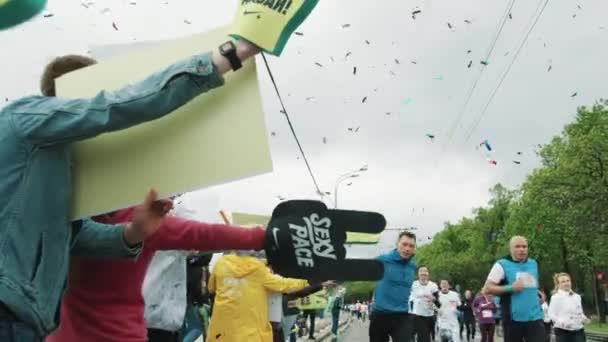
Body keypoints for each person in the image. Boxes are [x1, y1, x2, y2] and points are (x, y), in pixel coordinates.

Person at [0, 0, 319, 339]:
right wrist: (231, 54)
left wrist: (133, 232)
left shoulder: (55, 170)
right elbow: (124, 106)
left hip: (31, 321)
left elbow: (70, 236)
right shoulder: (29, 118)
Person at [45, 207, 271, 342]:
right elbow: (204, 234)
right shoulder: (142, 219)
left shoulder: (58, 216)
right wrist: (264, 237)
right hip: (124, 333)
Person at [206, 252, 310, 342]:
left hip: (223, 330)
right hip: (250, 331)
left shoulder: (221, 264)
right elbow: (282, 284)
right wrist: (307, 281)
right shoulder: (257, 269)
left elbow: (211, 288)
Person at [482, 236, 545, 342]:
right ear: (510, 249)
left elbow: (529, 284)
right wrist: (510, 287)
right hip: (513, 319)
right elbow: (486, 289)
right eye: (517, 246)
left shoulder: (533, 263)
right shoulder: (501, 264)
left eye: (524, 246)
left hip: (535, 317)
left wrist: (538, 293)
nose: (521, 249)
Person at [369, 231, 417, 342]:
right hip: (380, 315)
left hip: (402, 316)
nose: (407, 249)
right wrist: (334, 280)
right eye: (404, 244)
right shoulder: (382, 260)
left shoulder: (412, 267)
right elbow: (358, 270)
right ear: (397, 244)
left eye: (411, 246)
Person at [548, 273, 589, 342]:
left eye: (568, 280)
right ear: (558, 284)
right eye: (563, 282)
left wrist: (584, 318)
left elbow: (580, 312)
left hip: (578, 330)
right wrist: (562, 322)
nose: (566, 283)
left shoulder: (577, 297)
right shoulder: (555, 297)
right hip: (563, 332)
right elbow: (551, 314)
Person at [409, 265, 439, 342]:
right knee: (423, 336)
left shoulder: (433, 285)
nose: (423, 273)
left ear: (428, 273)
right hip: (417, 314)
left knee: (426, 335)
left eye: (425, 271)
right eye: (421, 271)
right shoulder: (413, 284)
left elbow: (438, 302)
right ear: (418, 274)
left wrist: (433, 299)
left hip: (430, 315)